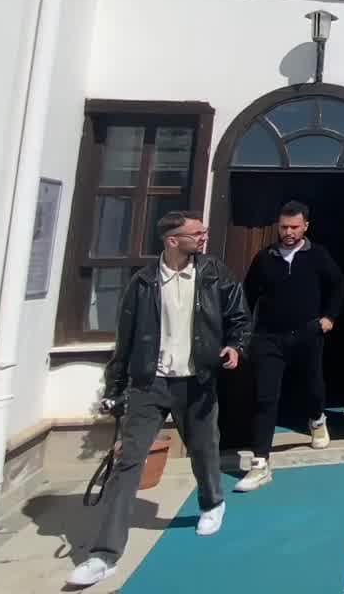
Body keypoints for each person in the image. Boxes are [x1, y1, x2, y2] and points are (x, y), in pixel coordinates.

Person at [68, 212, 247, 589]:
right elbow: (127, 338)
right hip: (150, 383)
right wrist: (114, 390)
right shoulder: (144, 283)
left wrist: (235, 345)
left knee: (204, 448)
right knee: (127, 463)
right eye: (196, 232)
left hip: (196, 380)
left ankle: (212, 503)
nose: (204, 236)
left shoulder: (214, 274)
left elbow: (239, 318)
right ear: (172, 240)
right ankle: (104, 554)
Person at [236, 200, 344, 491]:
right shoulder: (265, 258)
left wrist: (329, 317)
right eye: (284, 227)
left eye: (294, 227)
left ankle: (317, 419)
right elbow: (247, 295)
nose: (288, 232)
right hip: (269, 337)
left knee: (312, 385)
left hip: (307, 333)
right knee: (265, 397)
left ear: (305, 227)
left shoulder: (318, 256)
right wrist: (247, 331)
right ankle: (260, 463)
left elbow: (337, 284)